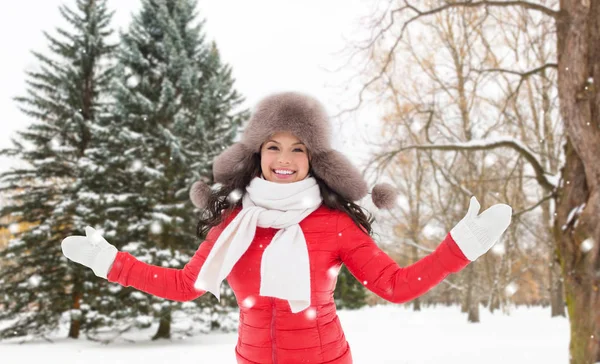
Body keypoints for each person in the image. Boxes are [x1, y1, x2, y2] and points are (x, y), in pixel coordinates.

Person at [61, 91, 512, 364]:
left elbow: (394, 286)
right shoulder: (236, 224)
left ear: (314, 160)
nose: (284, 159)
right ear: (256, 154)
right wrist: (109, 261)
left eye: (298, 149)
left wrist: (459, 248)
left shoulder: (334, 225)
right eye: (273, 146)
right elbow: (185, 285)